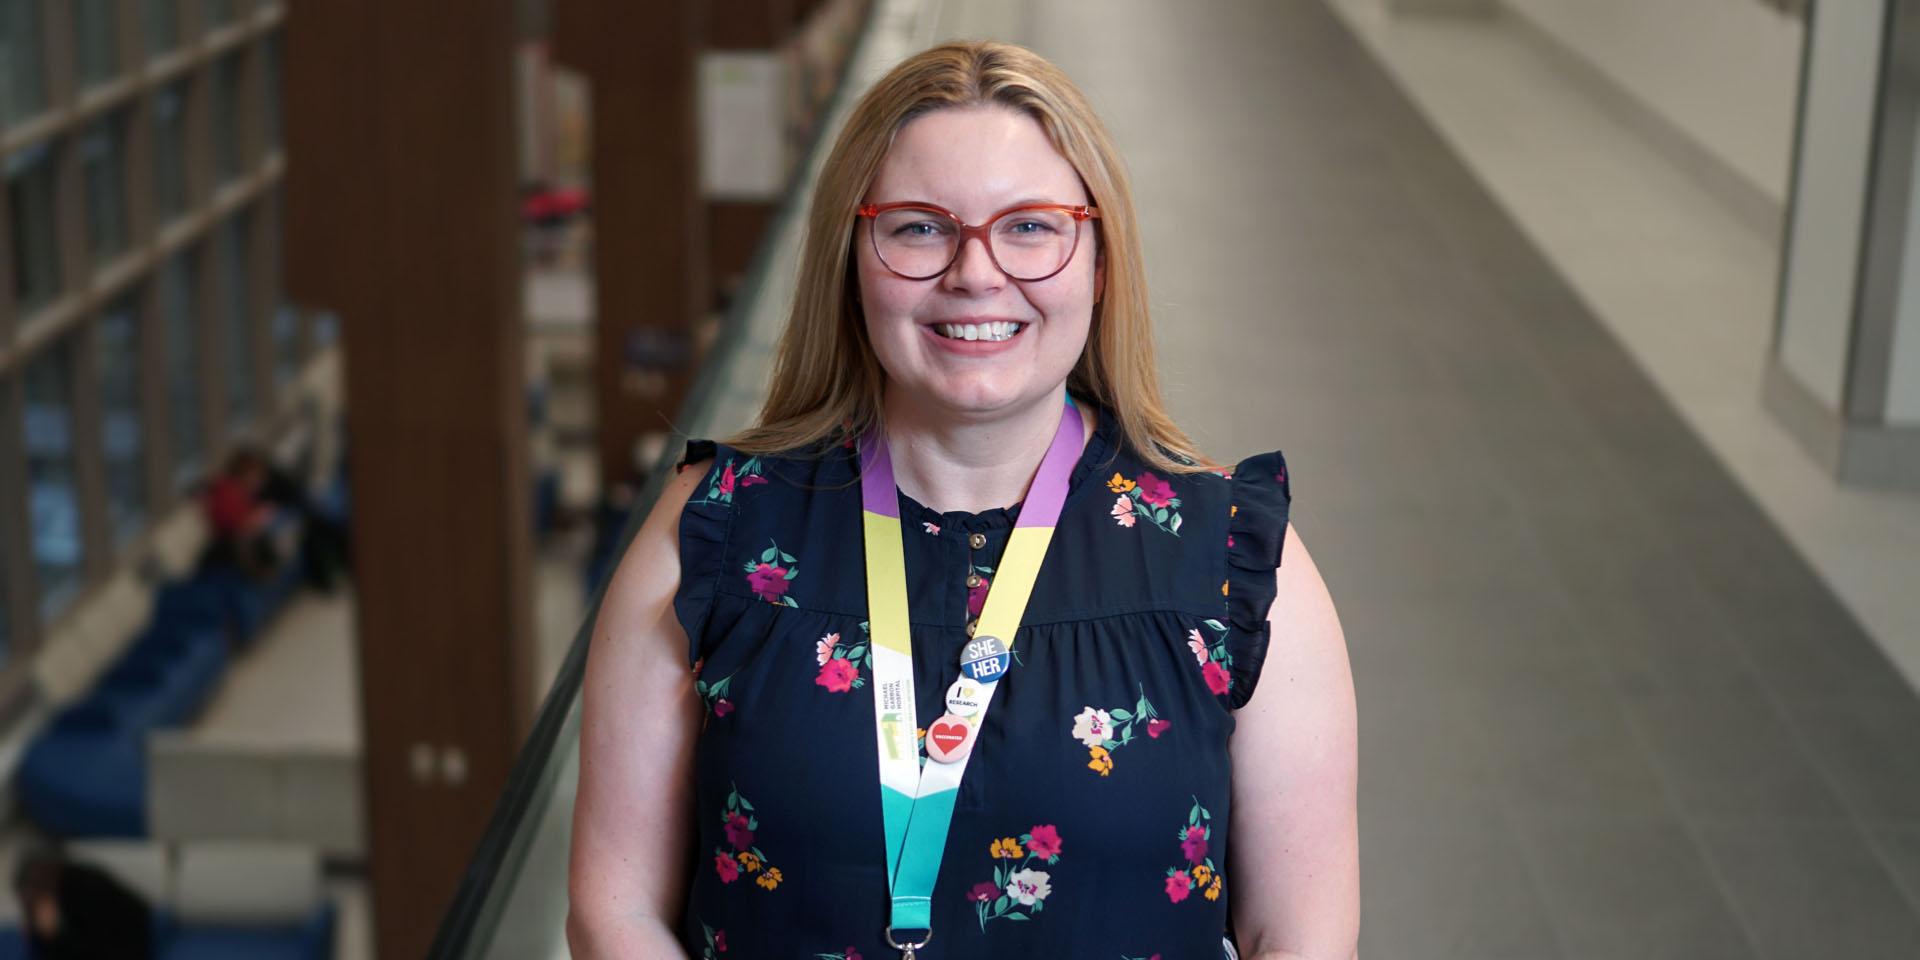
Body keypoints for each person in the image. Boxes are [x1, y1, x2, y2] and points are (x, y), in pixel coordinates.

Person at [568, 40, 1358, 960]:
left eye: (1030, 226)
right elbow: (614, 911)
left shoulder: (1231, 562)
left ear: (1098, 261)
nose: (975, 273)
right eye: (918, 227)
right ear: (849, 260)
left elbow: (1298, 935)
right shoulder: (716, 531)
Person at [12, 848, 154, 959]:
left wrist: (52, 936)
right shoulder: (55, 894)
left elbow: (93, 950)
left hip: (135, 943)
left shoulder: (87, 891)